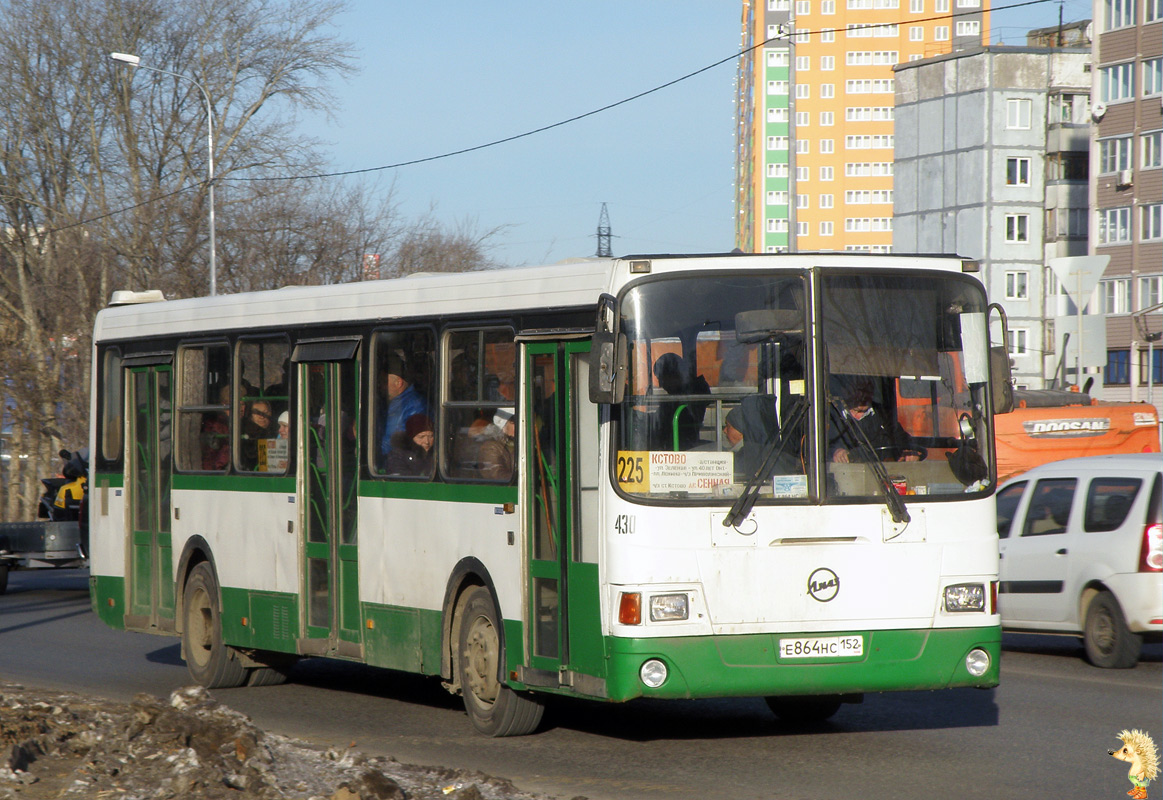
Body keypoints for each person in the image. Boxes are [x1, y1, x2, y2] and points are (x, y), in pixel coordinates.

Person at [828, 378, 923, 463]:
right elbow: (820, 447)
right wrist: (835, 452)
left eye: (866, 391)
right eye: (857, 391)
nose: (862, 396)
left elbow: (903, 439)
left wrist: (910, 451)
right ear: (845, 392)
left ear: (872, 393)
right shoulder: (831, 415)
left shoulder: (882, 415)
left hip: (881, 473)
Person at [651, 352, 711, 451]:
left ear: (674, 375)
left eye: (662, 378)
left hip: (680, 447)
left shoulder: (690, 396)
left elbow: (662, 424)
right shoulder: (680, 395)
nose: (661, 384)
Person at [378, 354, 427, 465]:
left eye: (384, 382)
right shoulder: (392, 402)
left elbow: (396, 441)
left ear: (398, 383)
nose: (380, 385)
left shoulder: (414, 405)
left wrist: (371, 452)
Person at [478, 409, 516, 480]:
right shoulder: (490, 447)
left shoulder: (519, 444)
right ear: (504, 426)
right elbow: (497, 475)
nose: (519, 427)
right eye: (514, 422)